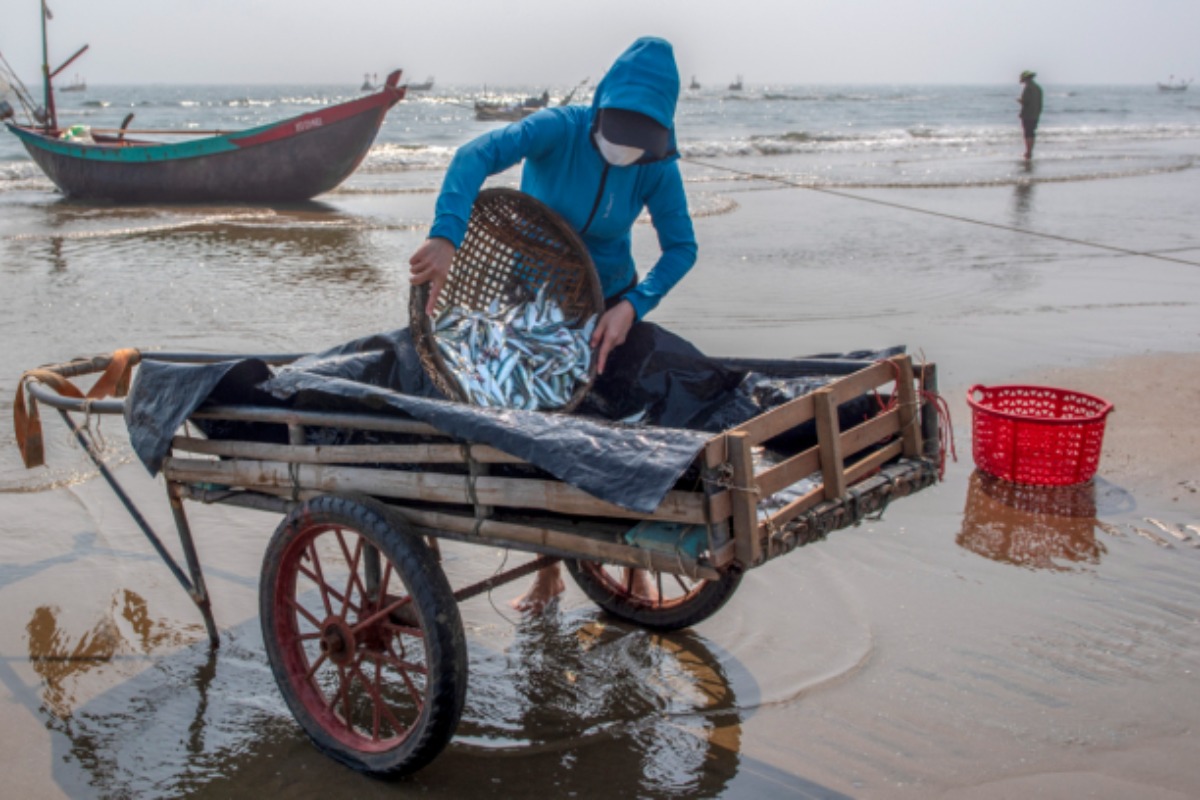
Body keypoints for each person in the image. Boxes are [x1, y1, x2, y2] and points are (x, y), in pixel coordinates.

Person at [408, 37, 697, 612]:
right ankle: (548, 574)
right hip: (529, 302)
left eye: (642, 141)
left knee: (614, 437)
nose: (627, 149)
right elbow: (474, 156)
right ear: (600, 108)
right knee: (538, 440)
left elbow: (681, 249)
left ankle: (637, 568)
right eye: (619, 132)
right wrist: (447, 233)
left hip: (606, 308)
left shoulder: (656, 167)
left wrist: (633, 305)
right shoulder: (559, 128)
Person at [1017, 70, 1043, 160]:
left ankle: (1028, 152)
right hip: (1035, 114)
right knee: (1032, 133)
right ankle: (1030, 151)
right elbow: (1040, 103)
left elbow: (1026, 102)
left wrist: (1020, 102)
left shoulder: (1028, 88)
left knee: (1027, 133)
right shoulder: (1038, 88)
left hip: (1028, 114)